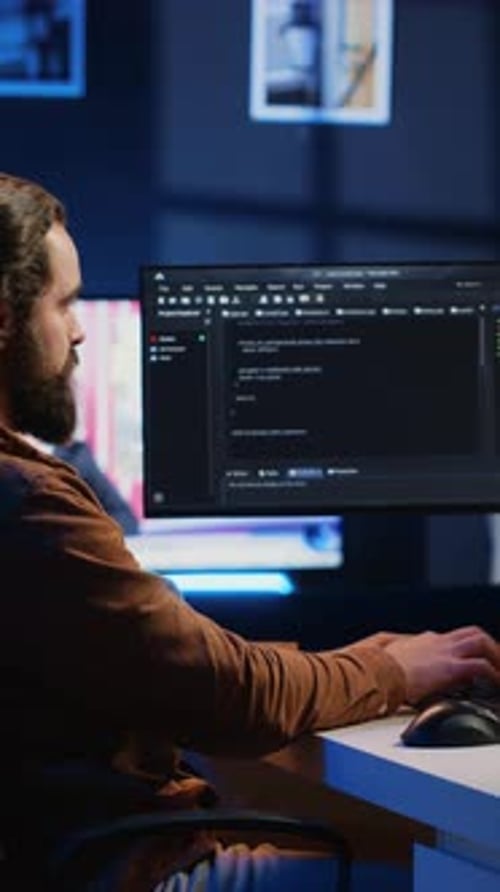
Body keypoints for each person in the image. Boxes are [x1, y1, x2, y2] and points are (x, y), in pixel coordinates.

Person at [1, 172, 500, 892]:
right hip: (114, 871)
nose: (79, 328)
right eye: (65, 303)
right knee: (453, 881)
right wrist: (392, 673)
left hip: (64, 853)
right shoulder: (27, 504)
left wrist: (360, 664)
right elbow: (229, 697)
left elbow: (171, 668)